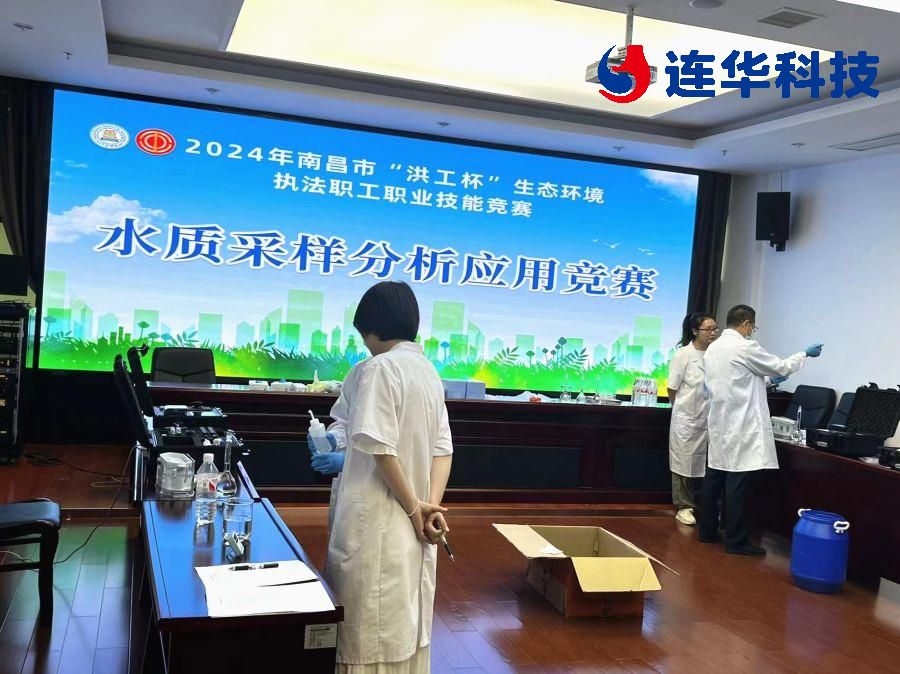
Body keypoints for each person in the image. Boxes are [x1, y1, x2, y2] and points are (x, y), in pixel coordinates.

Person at [324, 281, 453, 674]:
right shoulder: (428, 372)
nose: (365, 344)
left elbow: (381, 449)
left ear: (373, 327)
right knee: (404, 621)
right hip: (412, 516)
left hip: (381, 515)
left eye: (364, 335)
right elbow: (443, 450)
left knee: (369, 626)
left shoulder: (380, 368)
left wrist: (416, 509)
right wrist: (430, 506)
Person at [700, 304, 823, 555]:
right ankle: (736, 541)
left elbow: (738, 381)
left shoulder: (714, 349)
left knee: (714, 480)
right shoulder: (745, 347)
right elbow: (782, 366)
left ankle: (707, 531)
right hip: (741, 426)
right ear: (746, 323)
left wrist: (768, 381)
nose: (752, 331)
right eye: (752, 327)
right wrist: (805, 354)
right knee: (737, 484)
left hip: (720, 423)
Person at [667, 312, 718, 527]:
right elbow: (672, 388)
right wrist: (681, 410)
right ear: (695, 331)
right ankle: (684, 506)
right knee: (683, 462)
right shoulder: (683, 355)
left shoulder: (717, 354)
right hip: (687, 417)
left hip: (712, 418)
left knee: (708, 463)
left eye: (715, 328)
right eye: (708, 329)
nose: (713, 333)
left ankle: (707, 506)